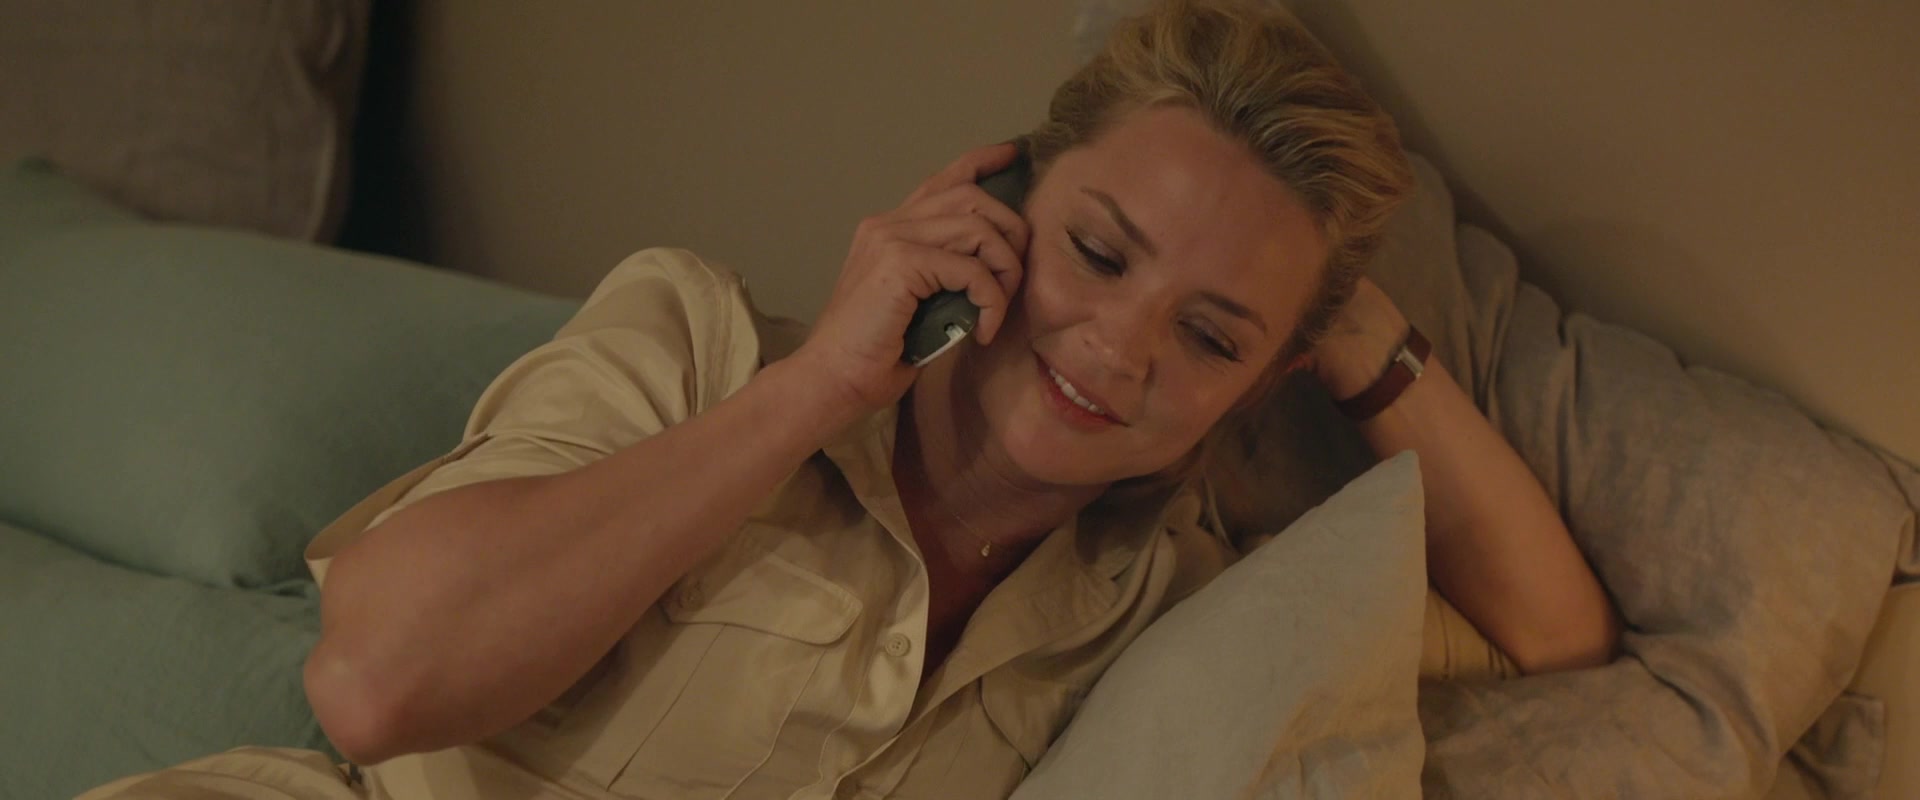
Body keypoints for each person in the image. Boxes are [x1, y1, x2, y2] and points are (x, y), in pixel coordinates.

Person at [84, 0, 1618, 797]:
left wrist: (1354, 337)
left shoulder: (1163, 600)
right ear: (996, 197)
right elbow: (375, 686)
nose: (1121, 349)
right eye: (1099, 253)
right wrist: (821, 384)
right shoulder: (696, 343)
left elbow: (1553, 629)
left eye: (1210, 337)